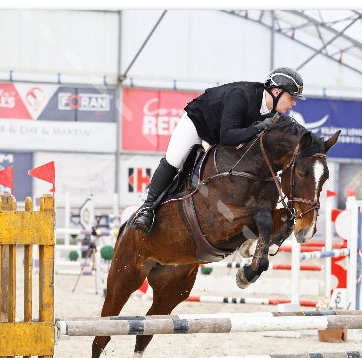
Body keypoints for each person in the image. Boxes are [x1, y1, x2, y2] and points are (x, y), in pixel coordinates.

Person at [131, 66, 305, 234]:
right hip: (197, 125)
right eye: (292, 97)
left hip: (218, 136)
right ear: (276, 92)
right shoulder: (241, 96)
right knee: (174, 160)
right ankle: (147, 210)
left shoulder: (273, 113)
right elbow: (228, 136)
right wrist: (258, 129)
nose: (294, 103)